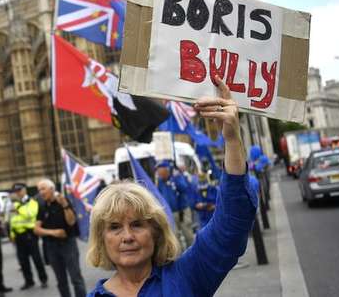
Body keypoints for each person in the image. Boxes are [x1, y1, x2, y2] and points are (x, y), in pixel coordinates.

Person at [86, 79, 258, 296]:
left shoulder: (185, 275)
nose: (127, 236)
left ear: (155, 232)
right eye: (114, 227)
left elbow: (230, 228)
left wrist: (232, 140)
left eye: (137, 224)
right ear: (101, 238)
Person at [34, 179, 86, 297]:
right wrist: (53, 232)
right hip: (52, 247)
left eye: (43, 189)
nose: (41, 192)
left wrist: (65, 205)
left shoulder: (63, 201)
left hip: (68, 244)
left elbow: (71, 221)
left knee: (76, 278)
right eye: (39, 190)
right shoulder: (41, 205)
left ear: (52, 189)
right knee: (61, 281)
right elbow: (36, 229)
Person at [9, 183, 48, 290]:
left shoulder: (32, 201)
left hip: (29, 234)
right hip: (18, 235)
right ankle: (28, 281)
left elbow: (30, 214)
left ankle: (43, 279)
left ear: (25, 190)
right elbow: (12, 219)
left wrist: (19, 207)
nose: (18, 193)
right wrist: (12, 234)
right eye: (16, 191)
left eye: (19, 190)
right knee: (23, 261)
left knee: (36, 259)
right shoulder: (14, 204)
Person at [155, 161, 194, 247]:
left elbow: (184, 188)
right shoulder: (160, 181)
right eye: (159, 173)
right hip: (170, 212)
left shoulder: (176, 177)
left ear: (167, 171)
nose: (160, 175)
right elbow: (158, 195)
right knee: (174, 236)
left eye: (162, 173)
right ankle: (179, 257)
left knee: (187, 234)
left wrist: (175, 179)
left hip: (182, 211)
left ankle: (194, 253)